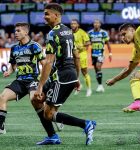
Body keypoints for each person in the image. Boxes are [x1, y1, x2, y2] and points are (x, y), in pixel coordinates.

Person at [34, 3, 96, 145]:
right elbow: (76, 56)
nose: (44, 17)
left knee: (48, 113)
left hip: (61, 77)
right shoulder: (68, 31)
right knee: (39, 103)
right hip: (70, 74)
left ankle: (86, 124)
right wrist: (77, 77)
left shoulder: (52, 34)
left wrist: (40, 85)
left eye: (47, 14)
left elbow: (48, 62)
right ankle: (54, 131)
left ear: (56, 15)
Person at [0, 22, 55, 139]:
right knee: (2, 97)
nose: (16, 33)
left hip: (33, 80)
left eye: (19, 31)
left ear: (26, 32)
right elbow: (13, 65)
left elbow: (44, 63)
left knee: (34, 100)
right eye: (15, 31)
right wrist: (9, 71)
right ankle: (1, 127)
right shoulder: (14, 48)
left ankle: (52, 115)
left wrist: (46, 77)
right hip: (19, 81)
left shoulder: (35, 46)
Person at [106, 15, 140, 113]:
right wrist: (114, 80)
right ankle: (138, 103)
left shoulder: (139, 32)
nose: (122, 38)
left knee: (135, 76)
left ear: (131, 30)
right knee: (135, 76)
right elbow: (128, 70)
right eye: (121, 36)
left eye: (124, 34)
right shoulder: (136, 51)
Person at [88, 19, 112, 92]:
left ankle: (100, 85)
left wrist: (110, 53)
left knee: (98, 66)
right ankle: (100, 85)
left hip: (101, 53)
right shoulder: (90, 33)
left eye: (97, 23)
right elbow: (87, 42)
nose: (96, 24)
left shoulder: (103, 33)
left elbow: (107, 43)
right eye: (95, 23)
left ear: (100, 24)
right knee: (96, 69)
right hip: (93, 53)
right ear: (93, 24)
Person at [70, 19, 92, 97]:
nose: (72, 25)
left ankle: (89, 89)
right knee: (74, 72)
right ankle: (78, 86)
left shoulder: (82, 32)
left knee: (84, 72)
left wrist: (81, 46)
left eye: (74, 24)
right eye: (71, 24)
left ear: (78, 25)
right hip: (73, 55)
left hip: (82, 55)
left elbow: (88, 42)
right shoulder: (69, 33)